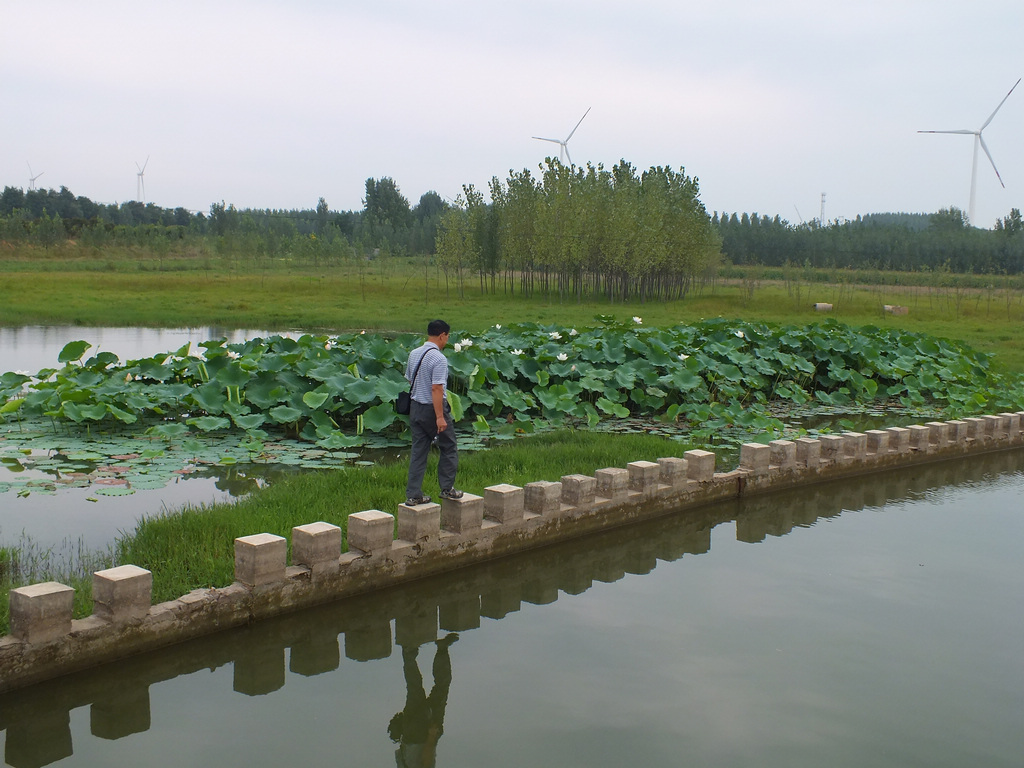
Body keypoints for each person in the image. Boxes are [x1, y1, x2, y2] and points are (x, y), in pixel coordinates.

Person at [404, 319, 462, 505]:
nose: (447, 340)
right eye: (447, 337)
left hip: (415, 407)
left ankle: (413, 495)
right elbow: (436, 388)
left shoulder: (414, 353)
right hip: (433, 409)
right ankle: (447, 489)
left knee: (419, 451)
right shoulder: (439, 358)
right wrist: (439, 417)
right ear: (442, 335)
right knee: (449, 447)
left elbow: (409, 379)